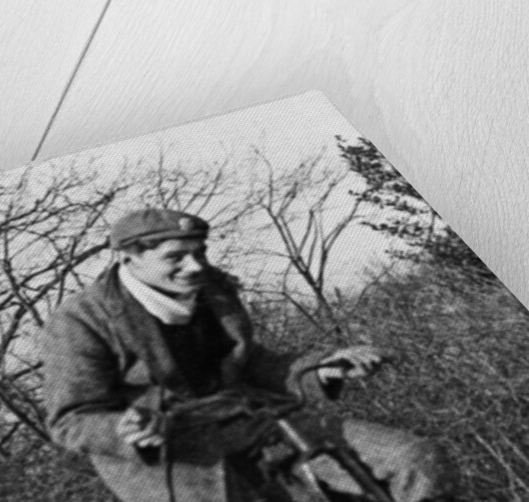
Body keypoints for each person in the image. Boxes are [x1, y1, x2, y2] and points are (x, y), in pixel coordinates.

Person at [40, 208, 456, 502]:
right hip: (179, 452)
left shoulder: (214, 292)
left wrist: (322, 369)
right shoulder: (81, 319)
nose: (194, 266)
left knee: (415, 460)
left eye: (200, 252)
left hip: (256, 421)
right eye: (175, 257)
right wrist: (124, 430)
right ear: (128, 258)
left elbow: (250, 362)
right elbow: (71, 420)